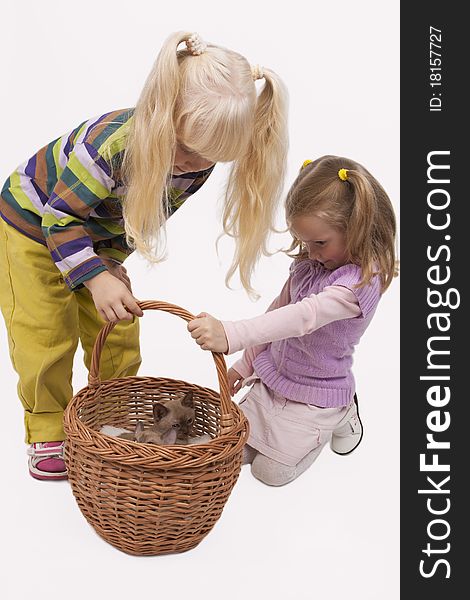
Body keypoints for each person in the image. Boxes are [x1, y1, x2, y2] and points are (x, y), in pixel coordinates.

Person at [0, 31, 288, 480]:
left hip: (93, 232)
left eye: (209, 158)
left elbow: (132, 220)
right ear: (163, 112)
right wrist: (93, 277)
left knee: (118, 325)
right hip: (33, 224)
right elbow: (58, 219)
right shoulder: (108, 149)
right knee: (45, 332)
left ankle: (111, 415)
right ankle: (47, 428)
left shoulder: (196, 164)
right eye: (188, 149)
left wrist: (110, 266)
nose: (193, 165)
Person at [188, 155, 398, 486]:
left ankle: (341, 412)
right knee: (228, 450)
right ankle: (278, 435)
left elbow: (304, 317)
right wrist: (244, 366)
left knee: (269, 473)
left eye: (320, 243)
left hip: (316, 395)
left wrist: (231, 334)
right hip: (275, 380)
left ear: (356, 228)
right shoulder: (309, 266)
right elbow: (277, 314)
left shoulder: (358, 285)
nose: (311, 253)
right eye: (304, 242)